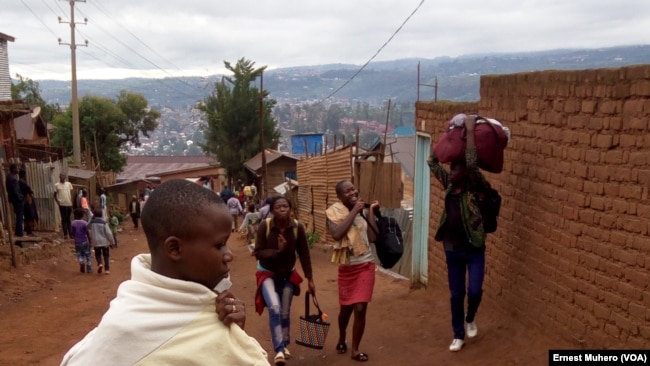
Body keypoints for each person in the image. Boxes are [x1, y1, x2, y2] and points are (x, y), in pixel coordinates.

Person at [60, 179, 269, 366]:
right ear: (175, 249)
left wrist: (236, 332)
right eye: (220, 245)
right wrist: (234, 339)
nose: (229, 255)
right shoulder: (210, 333)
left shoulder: (124, 315)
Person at [427, 114, 490, 352]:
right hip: (452, 249)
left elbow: (472, 164)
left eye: (455, 168)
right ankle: (458, 334)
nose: (450, 172)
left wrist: (470, 132)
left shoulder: (474, 185)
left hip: (474, 248)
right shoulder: (449, 184)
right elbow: (432, 162)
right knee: (456, 295)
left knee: (474, 290)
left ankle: (470, 316)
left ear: (465, 172)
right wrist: (450, 133)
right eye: (451, 168)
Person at [254, 196, 315, 366]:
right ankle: (279, 349)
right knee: (274, 307)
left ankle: (285, 344)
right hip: (267, 274)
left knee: (285, 311)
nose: (282, 209)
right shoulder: (265, 226)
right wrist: (278, 251)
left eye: (285, 206)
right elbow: (258, 253)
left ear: (290, 209)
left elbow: (304, 254)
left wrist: (310, 279)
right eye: (278, 207)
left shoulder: (297, 228)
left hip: (288, 275)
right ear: (272, 210)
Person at [326, 180, 379, 363]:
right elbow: (337, 234)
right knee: (345, 310)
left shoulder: (361, 210)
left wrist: (370, 210)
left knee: (360, 307)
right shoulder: (333, 213)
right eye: (347, 191)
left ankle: (355, 349)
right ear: (339, 197)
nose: (352, 193)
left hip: (365, 265)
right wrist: (355, 211)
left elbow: (372, 237)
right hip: (347, 267)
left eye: (353, 189)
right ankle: (342, 337)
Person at [88, 208, 115, 275]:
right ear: (101, 214)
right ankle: (107, 270)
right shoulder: (104, 222)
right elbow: (109, 233)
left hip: (96, 242)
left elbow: (88, 227)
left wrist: (91, 218)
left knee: (98, 254)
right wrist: (112, 242)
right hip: (104, 242)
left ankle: (100, 263)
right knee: (106, 255)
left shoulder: (92, 222)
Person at [70, 208, 92, 274]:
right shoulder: (85, 223)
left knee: (79, 254)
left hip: (77, 242)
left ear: (75, 215)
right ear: (82, 215)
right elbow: (87, 233)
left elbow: (72, 233)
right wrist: (90, 241)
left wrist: (74, 236)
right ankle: (89, 269)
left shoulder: (72, 223)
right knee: (88, 255)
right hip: (85, 240)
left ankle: (81, 262)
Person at [6, 164, 25, 238]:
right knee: (20, 216)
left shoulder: (9, 177)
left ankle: (18, 232)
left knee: (18, 216)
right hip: (17, 200)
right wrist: (21, 198)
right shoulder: (13, 179)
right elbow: (15, 191)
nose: (18, 169)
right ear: (13, 169)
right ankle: (20, 233)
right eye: (17, 168)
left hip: (15, 200)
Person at [18, 169, 38, 236]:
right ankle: (29, 231)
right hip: (27, 201)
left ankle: (29, 230)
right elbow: (28, 190)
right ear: (24, 175)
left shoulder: (19, 182)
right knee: (29, 215)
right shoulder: (22, 182)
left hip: (25, 201)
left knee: (28, 216)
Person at [54, 173, 74, 239]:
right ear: (59, 177)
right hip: (62, 204)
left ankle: (71, 234)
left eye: (63, 176)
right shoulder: (56, 185)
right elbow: (54, 195)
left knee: (68, 219)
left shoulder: (69, 184)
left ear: (65, 177)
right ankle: (65, 234)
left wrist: (71, 202)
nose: (62, 177)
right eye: (61, 176)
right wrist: (58, 202)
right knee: (64, 219)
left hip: (69, 204)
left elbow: (71, 193)